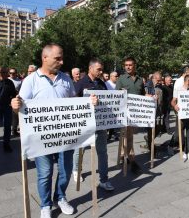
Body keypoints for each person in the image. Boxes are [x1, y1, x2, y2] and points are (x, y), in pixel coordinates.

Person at [11, 44, 97, 218]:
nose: (61, 61)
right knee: (45, 173)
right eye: (57, 58)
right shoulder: (31, 80)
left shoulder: (66, 79)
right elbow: (20, 106)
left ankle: (61, 197)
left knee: (65, 170)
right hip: (41, 138)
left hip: (66, 136)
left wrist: (89, 103)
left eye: (62, 57)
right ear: (45, 58)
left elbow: (73, 103)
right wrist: (14, 106)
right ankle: (45, 205)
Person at [73, 58, 115, 191]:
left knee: (102, 152)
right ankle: (76, 170)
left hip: (100, 124)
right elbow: (72, 103)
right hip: (85, 124)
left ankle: (104, 179)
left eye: (102, 69)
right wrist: (87, 102)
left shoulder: (102, 83)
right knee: (80, 149)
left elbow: (108, 100)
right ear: (90, 68)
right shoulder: (80, 83)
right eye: (99, 69)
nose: (101, 72)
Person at [116, 56, 145, 174]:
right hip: (125, 113)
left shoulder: (139, 80)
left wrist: (151, 98)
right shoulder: (121, 79)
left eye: (130, 65)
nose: (128, 67)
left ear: (134, 66)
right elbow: (116, 96)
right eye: (126, 65)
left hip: (136, 114)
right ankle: (131, 160)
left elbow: (143, 95)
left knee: (129, 136)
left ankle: (124, 155)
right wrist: (121, 93)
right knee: (127, 136)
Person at [168, 66, 189, 155]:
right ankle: (171, 145)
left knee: (187, 130)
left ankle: (185, 148)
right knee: (179, 130)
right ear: (186, 73)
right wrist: (176, 107)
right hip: (180, 110)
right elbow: (176, 98)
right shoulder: (179, 82)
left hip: (188, 112)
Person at [171, 75, 189, 161]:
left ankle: (188, 152)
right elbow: (173, 101)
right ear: (188, 80)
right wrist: (175, 106)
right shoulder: (178, 89)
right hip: (181, 116)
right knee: (178, 135)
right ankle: (171, 145)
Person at [144, 71, 163, 150]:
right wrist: (150, 97)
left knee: (159, 127)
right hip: (149, 112)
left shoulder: (159, 87)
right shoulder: (147, 86)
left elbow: (161, 100)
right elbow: (143, 96)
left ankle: (148, 139)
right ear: (154, 78)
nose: (159, 82)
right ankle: (152, 149)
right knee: (150, 130)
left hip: (158, 111)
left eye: (160, 80)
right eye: (158, 80)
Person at [105, 71, 120, 141]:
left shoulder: (118, 84)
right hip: (108, 106)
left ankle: (110, 135)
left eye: (117, 76)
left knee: (113, 122)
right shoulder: (106, 84)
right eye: (116, 76)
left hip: (115, 106)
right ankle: (107, 135)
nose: (117, 77)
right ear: (111, 77)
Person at [8, 68, 22, 136]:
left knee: (15, 116)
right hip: (7, 100)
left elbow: (21, 91)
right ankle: (7, 129)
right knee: (7, 116)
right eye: (10, 73)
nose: (12, 74)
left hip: (15, 100)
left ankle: (14, 130)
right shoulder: (7, 80)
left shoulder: (19, 81)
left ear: (16, 73)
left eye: (13, 73)